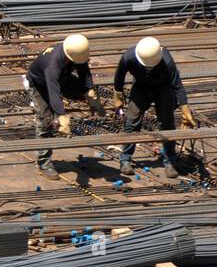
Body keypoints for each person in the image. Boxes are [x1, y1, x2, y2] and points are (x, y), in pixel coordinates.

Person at [112, 36, 194, 178]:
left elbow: (177, 85)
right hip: (141, 87)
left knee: (167, 123)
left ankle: (170, 161)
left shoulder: (166, 60)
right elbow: (119, 76)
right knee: (132, 121)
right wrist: (117, 95)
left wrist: (185, 108)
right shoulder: (129, 57)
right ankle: (125, 160)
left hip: (163, 88)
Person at [25, 33, 104, 180]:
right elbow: (54, 94)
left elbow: (85, 74)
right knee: (45, 121)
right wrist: (61, 115)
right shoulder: (52, 65)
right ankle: (44, 163)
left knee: (82, 89)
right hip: (39, 85)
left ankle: (82, 98)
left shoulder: (76, 52)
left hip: (62, 77)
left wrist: (90, 94)